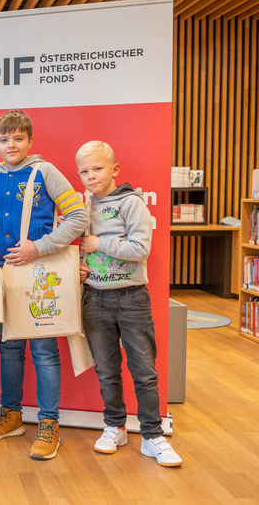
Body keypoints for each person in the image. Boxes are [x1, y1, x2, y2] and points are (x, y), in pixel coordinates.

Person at [0, 110, 88, 460]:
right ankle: (11, 415)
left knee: (44, 352)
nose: (11, 145)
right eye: (4, 139)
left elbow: (78, 216)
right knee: (9, 348)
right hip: (1, 280)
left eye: (18, 138)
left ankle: (49, 422)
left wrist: (40, 247)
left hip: (37, 279)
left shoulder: (45, 172)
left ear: (30, 141)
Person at [76, 140, 182, 467]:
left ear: (115, 169)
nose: (91, 176)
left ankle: (152, 435)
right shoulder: (82, 207)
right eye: (84, 171)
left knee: (144, 371)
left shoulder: (131, 203)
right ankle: (115, 427)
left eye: (98, 168)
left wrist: (98, 243)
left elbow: (140, 249)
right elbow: (79, 249)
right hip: (94, 298)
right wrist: (80, 266)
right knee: (107, 370)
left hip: (132, 297)